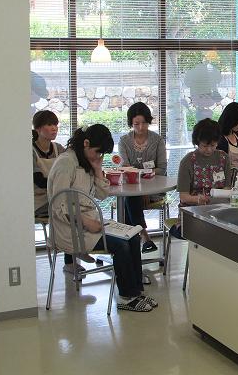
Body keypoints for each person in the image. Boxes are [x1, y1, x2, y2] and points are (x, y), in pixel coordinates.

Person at [47, 124, 156, 312]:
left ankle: (136, 292)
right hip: (71, 230)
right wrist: (87, 221)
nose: (99, 157)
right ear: (86, 143)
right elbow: (59, 205)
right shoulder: (66, 163)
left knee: (132, 237)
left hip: (90, 224)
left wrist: (98, 170)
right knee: (120, 245)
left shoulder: (86, 161)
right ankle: (126, 297)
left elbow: (102, 194)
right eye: (98, 153)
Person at [118, 102, 167, 253]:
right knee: (131, 198)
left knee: (129, 200)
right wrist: (140, 187)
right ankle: (144, 237)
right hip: (132, 188)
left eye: (144, 123)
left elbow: (162, 168)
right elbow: (125, 168)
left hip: (154, 188)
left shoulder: (157, 140)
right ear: (131, 123)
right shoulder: (124, 141)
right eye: (136, 123)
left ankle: (129, 245)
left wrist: (145, 189)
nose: (140, 127)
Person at [32, 111, 75, 271]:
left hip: (56, 197)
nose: (54, 129)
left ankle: (71, 258)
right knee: (69, 210)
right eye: (49, 125)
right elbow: (39, 181)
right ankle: (70, 260)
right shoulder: (31, 151)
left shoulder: (59, 149)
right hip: (39, 201)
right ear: (37, 129)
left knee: (73, 207)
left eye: (55, 125)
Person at [177, 118, 231, 206]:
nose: (209, 150)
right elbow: (183, 197)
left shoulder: (224, 158)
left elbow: (227, 187)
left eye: (213, 145)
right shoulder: (188, 161)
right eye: (205, 146)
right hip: (194, 209)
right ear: (197, 143)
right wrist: (197, 199)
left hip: (219, 207)